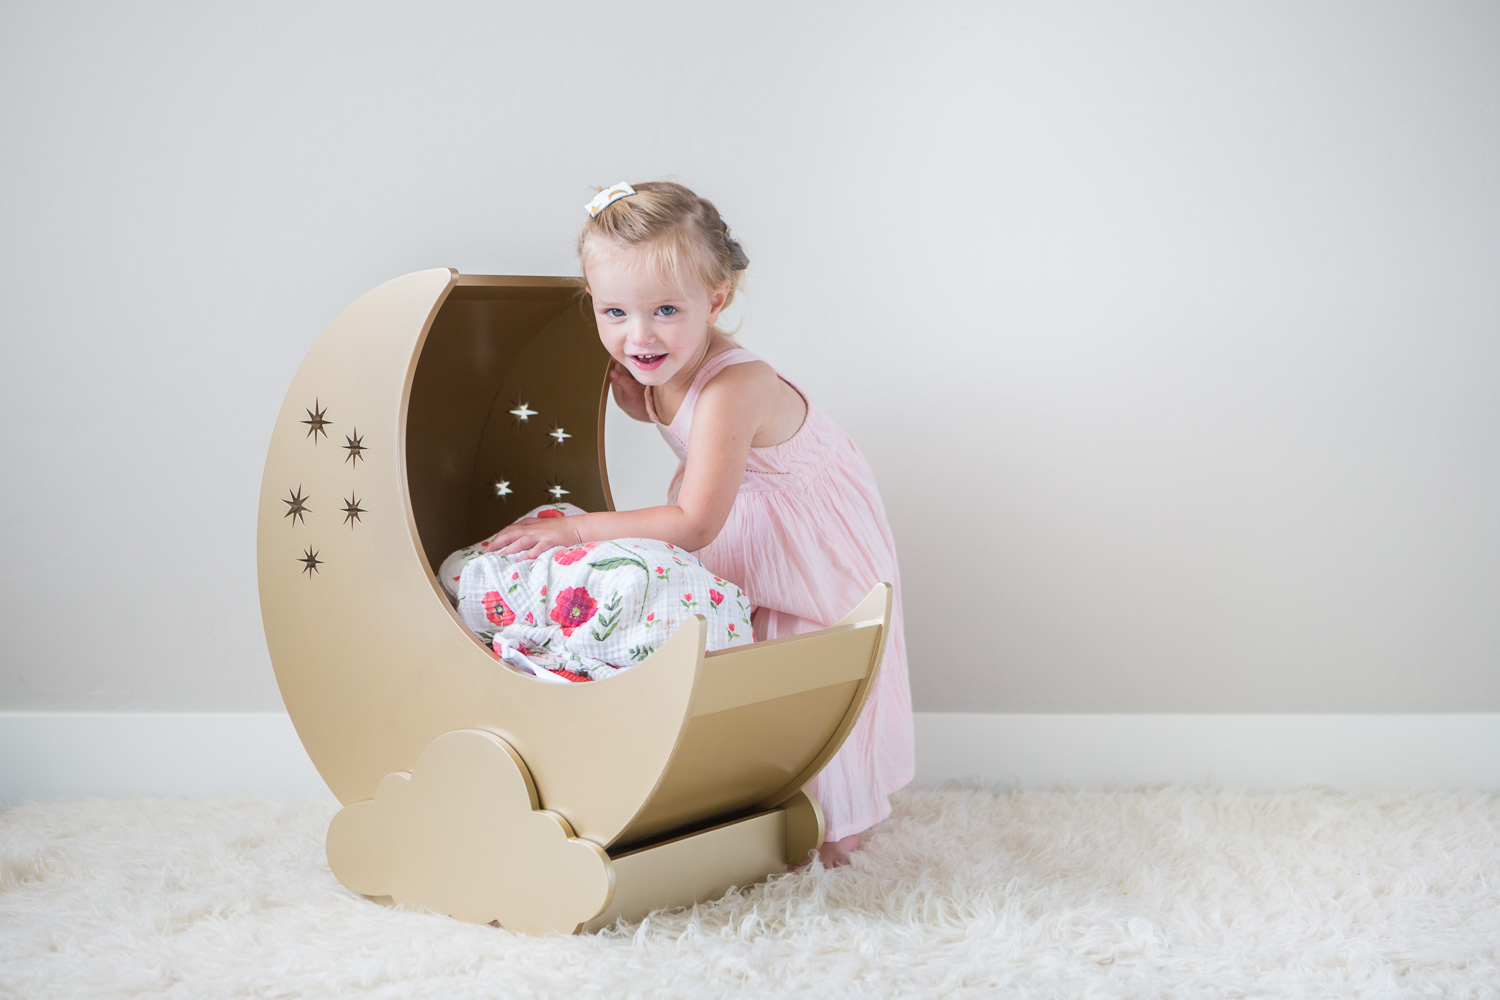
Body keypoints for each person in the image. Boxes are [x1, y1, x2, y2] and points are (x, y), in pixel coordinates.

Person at [485, 180, 914, 866]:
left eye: (665, 310)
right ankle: (739, 803)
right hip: (742, 516)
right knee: (734, 656)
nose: (639, 335)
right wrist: (643, 407)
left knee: (802, 667)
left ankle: (830, 819)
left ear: (716, 300)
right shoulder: (659, 369)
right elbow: (692, 442)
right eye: (615, 312)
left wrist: (576, 530)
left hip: (804, 536)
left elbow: (694, 522)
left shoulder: (735, 386)